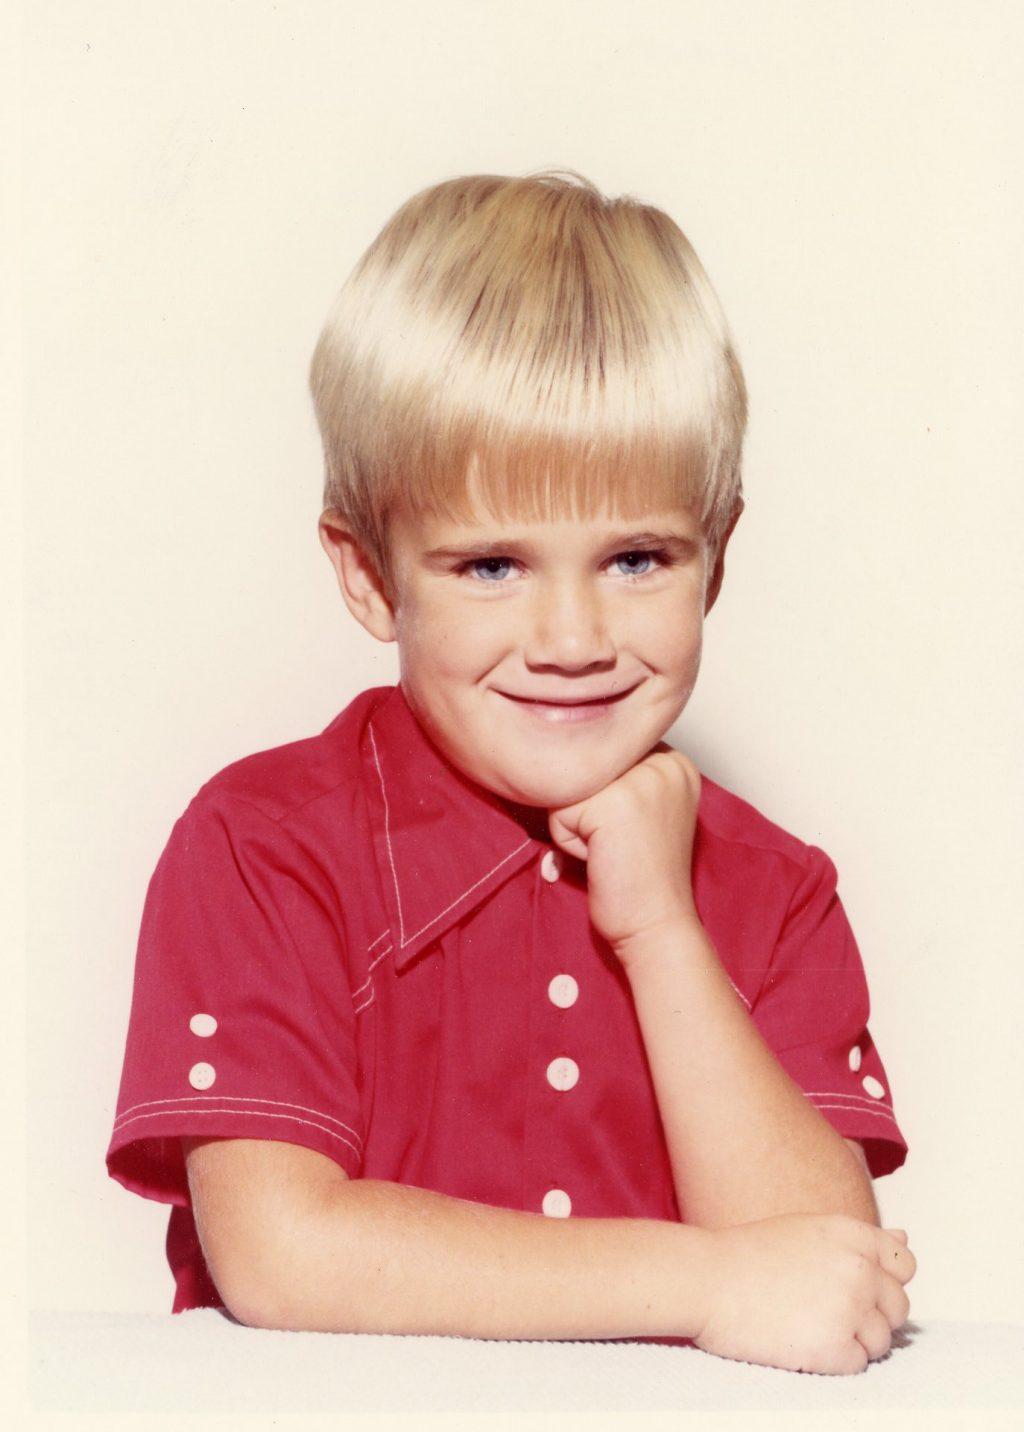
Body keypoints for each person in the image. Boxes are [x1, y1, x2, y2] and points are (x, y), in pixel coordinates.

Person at [106, 170, 915, 1374]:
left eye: (638, 556)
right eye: (490, 567)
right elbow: (282, 1251)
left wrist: (659, 931)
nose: (574, 637)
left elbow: (822, 1275)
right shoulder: (263, 843)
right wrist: (702, 1281)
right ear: (370, 576)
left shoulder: (772, 887)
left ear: (719, 558)